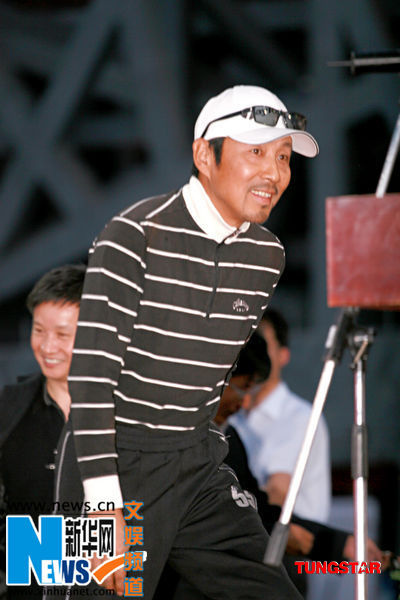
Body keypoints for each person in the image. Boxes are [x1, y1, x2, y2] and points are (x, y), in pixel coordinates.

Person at [61, 84, 320, 599]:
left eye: (284, 157)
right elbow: (89, 379)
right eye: (256, 153)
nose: (274, 173)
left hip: (197, 464)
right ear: (204, 155)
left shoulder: (267, 257)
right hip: (112, 462)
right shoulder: (132, 235)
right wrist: (103, 503)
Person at [157, 332, 384, 599]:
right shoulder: (169, 436)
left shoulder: (229, 439)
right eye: (242, 387)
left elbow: (257, 509)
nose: (244, 402)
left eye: (251, 390)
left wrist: (332, 542)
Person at [0, 264, 86, 600]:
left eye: (63, 334)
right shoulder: (8, 411)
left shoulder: (136, 416)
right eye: (39, 330)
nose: (48, 347)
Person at [230, 307, 331, 523]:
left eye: (262, 346)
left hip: (291, 538)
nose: (252, 354)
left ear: (283, 355)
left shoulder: (299, 418)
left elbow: (277, 492)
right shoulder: (232, 416)